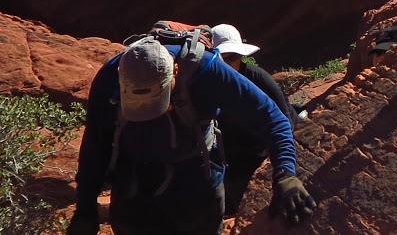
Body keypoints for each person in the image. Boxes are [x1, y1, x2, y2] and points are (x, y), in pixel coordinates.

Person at [68, 28, 315, 235]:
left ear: (174, 72)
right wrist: (85, 208)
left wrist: (285, 175)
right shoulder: (111, 76)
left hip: (197, 186)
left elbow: (273, 118)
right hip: (135, 184)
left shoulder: (206, 70)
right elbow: (95, 144)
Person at [208, 24, 295, 218]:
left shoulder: (258, 78)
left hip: (259, 147)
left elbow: (284, 120)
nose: (228, 64)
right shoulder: (207, 84)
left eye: (233, 58)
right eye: (223, 58)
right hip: (230, 153)